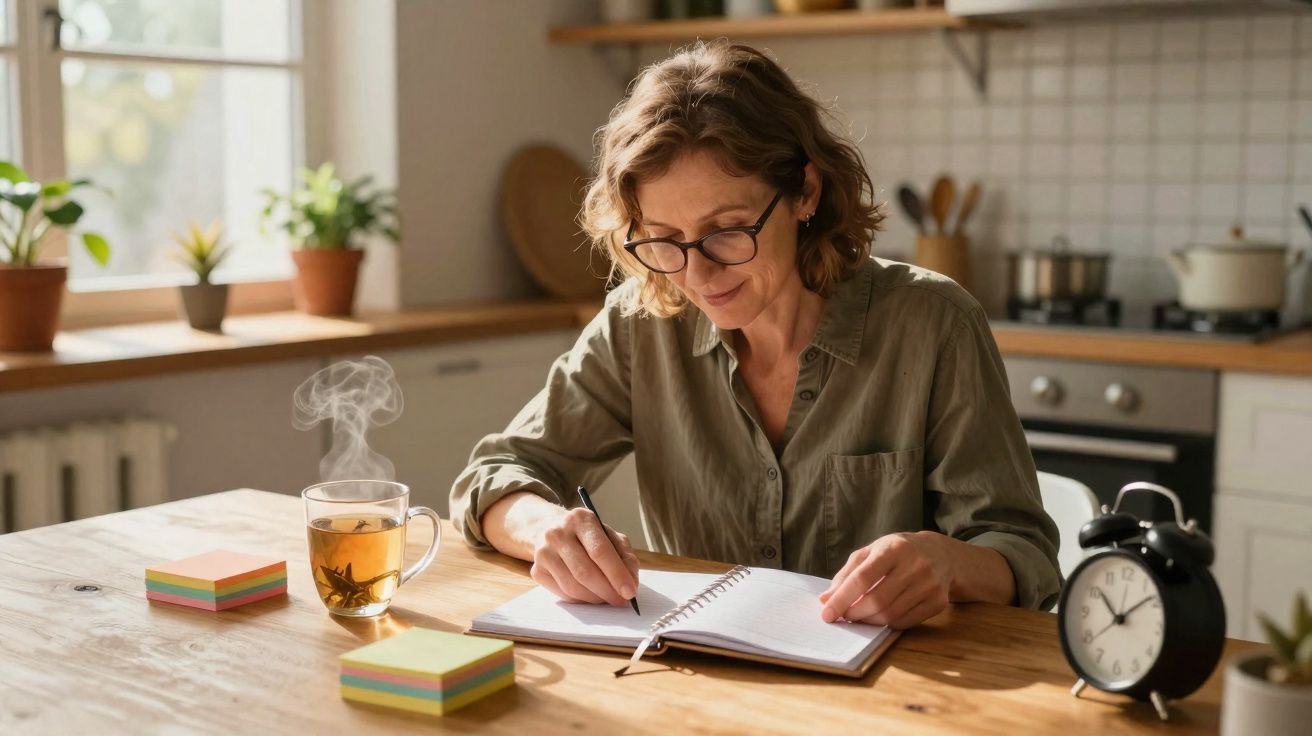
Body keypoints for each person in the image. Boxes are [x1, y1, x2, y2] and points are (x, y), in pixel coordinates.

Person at [451, 41, 1061, 629]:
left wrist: (948, 563)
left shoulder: (934, 325)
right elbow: (494, 475)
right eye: (663, 239)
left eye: (726, 231)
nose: (696, 275)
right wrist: (546, 529)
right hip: (690, 677)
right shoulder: (640, 326)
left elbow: (1023, 553)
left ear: (805, 193)